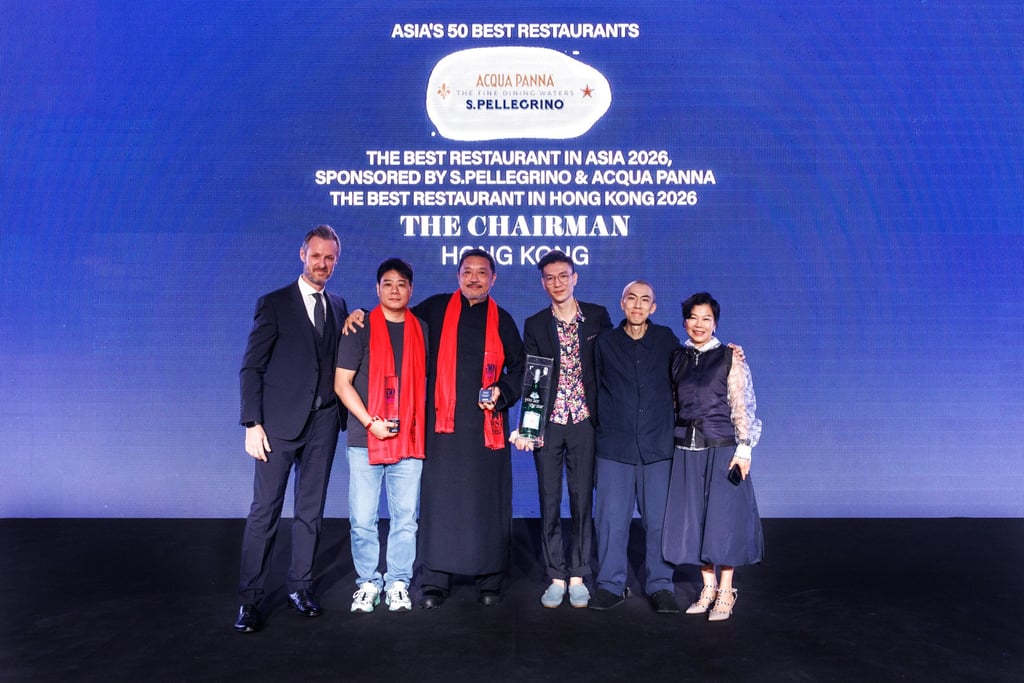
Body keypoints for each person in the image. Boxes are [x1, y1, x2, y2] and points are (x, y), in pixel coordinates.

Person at [345, 248, 525, 608]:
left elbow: (519, 371)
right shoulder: (435, 310)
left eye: (482, 273)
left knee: (486, 504)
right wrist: (360, 314)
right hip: (440, 431)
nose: (474, 278)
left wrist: (502, 393)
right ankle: (436, 581)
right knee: (438, 504)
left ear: (494, 278)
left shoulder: (503, 320)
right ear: (457, 275)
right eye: (467, 272)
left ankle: (489, 579)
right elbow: (395, 317)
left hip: (484, 431)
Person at [234, 225, 348, 633]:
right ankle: (249, 600)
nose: (323, 264)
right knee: (264, 512)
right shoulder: (274, 303)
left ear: (336, 260)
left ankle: (300, 587)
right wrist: (252, 422)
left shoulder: (338, 305)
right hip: (277, 426)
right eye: (316, 256)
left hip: (323, 423)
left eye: (330, 258)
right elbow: (251, 366)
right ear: (303, 254)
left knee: (310, 512)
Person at [514, 250, 611, 609]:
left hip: (585, 421)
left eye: (563, 276)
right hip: (550, 425)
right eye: (550, 278)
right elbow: (534, 377)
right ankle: (556, 575)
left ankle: (579, 574)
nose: (557, 283)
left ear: (575, 277)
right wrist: (529, 426)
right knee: (549, 498)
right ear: (543, 283)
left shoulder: (598, 317)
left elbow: (612, 360)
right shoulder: (535, 324)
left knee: (583, 499)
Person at [662, 292, 763, 622]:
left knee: (724, 520)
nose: (699, 324)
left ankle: (725, 590)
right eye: (693, 317)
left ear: (715, 322)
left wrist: (744, 448)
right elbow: (675, 405)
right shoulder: (677, 357)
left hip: (721, 448)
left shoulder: (730, 357)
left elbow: (742, 405)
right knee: (696, 520)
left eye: (706, 318)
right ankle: (706, 588)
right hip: (686, 449)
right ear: (685, 321)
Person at [334, 258, 428, 614]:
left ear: (410, 289)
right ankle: (369, 582)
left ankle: (399, 582)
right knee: (363, 518)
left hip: (409, 440)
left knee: (406, 519)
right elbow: (342, 384)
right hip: (364, 437)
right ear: (377, 289)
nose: (394, 290)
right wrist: (370, 421)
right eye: (387, 284)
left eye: (401, 284)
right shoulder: (360, 327)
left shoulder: (422, 329)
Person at [587, 280, 682, 614]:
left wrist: (725, 354)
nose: (638, 305)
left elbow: (688, 374)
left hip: (657, 447)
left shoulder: (666, 340)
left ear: (653, 307)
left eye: (646, 300)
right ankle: (611, 584)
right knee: (611, 520)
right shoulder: (606, 343)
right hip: (615, 445)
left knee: (658, 521)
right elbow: (593, 389)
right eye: (632, 299)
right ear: (622, 303)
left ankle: (660, 585)